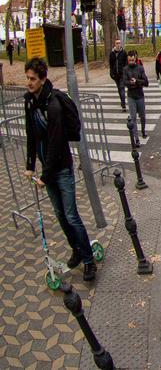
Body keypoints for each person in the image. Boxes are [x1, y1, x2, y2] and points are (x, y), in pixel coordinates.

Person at [22, 58, 97, 282]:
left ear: (43, 79)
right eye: (27, 78)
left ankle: (88, 260)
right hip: (47, 169)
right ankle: (75, 249)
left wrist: (45, 176)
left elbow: (55, 142)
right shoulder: (29, 102)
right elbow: (31, 135)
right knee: (60, 215)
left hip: (61, 168)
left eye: (32, 79)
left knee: (72, 215)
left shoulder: (53, 104)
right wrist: (29, 166)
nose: (29, 82)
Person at [123, 50, 149, 145]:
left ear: (135, 58)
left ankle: (143, 130)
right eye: (129, 60)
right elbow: (124, 82)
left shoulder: (140, 68)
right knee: (133, 117)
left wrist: (137, 81)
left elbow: (146, 82)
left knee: (142, 116)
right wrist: (130, 83)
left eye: (133, 60)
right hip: (131, 95)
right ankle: (136, 138)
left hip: (139, 95)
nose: (131, 62)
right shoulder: (126, 69)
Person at [108, 37, 128, 111]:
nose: (118, 45)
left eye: (119, 43)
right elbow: (111, 64)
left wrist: (125, 72)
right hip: (115, 74)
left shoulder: (124, 52)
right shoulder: (112, 53)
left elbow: (126, 63)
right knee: (119, 89)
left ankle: (123, 105)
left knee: (122, 88)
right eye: (117, 43)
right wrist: (111, 73)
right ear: (115, 44)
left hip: (122, 73)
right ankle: (122, 101)